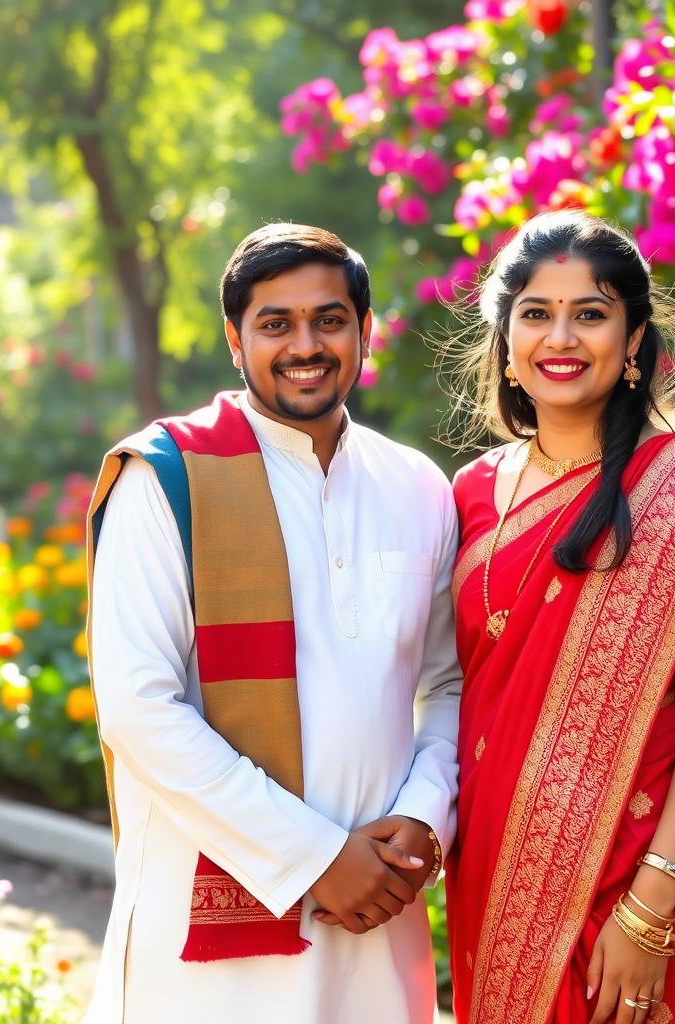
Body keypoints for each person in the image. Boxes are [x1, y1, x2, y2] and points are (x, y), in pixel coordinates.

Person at [444, 210, 675, 1024]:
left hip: (649, 867)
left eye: (591, 314)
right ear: (505, 338)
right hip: (499, 867)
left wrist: (651, 904)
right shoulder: (472, 492)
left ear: (633, 338)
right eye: (537, 314)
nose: (562, 337)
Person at [82, 223, 461, 1024]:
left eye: (329, 319)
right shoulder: (165, 480)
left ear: (365, 331)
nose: (306, 345)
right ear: (235, 339)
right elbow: (137, 707)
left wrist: (425, 816)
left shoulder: (418, 487)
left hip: (377, 918)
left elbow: (447, 680)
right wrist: (317, 858)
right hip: (207, 935)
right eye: (275, 324)